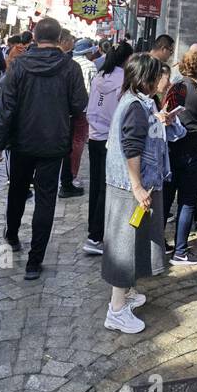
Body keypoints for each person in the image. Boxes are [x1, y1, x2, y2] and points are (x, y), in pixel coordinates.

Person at [0, 18, 89, 281]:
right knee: (46, 198)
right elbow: (80, 104)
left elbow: (6, 105)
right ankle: (35, 261)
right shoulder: (70, 67)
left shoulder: (19, 65)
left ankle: (11, 235)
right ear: (59, 39)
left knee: (18, 189)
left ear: (34, 37)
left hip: (22, 140)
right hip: (54, 141)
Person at [102, 55, 185, 334]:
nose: (163, 81)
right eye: (159, 76)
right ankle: (116, 310)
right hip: (129, 186)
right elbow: (132, 148)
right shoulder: (135, 105)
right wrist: (137, 186)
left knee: (132, 243)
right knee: (124, 246)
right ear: (147, 78)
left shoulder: (135, 101)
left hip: (130, 184)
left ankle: (125, 295)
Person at [161, 49, 197, 265]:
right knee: (186, 202)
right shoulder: (195, 93)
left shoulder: (177, 86)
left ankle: (159, 246)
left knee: (167, 200)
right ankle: (180, 250)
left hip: (170, 151)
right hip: (189, 154)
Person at [84, 42, 132, 255]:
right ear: (127, 59)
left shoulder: (100, 76)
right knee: (107, 187)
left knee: (96, 185)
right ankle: (96, 235)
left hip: (94, 135)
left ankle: (92, 229)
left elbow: (95, 104)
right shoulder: (123, 80)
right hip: (110, 138)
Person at [61, 38, 96, 198]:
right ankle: (71, 176)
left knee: (68, 142)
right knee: (78, 141)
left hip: (66, 109)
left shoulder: (68, 62)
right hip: (82, 108)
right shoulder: (89, 65)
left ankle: (68, 176)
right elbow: (94, 89)